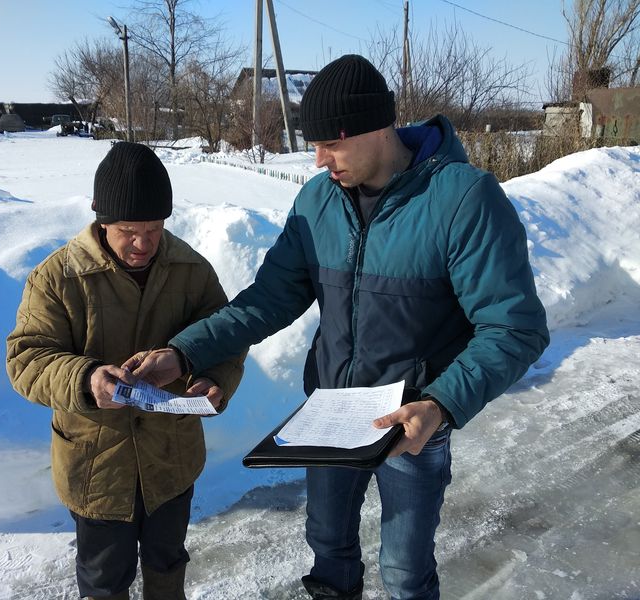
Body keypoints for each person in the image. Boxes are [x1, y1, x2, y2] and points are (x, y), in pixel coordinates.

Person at [127, 55, 550, 599]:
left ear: (379, 128)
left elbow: (514, 327)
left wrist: (440, 405)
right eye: (314, 143)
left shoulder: (463, 200)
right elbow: (266, 301)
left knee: (404, 570)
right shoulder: (318, 200)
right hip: (330, 416)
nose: (320, 158)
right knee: (327, 549)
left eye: (332, 143)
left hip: (410, 421)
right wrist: (182, 354)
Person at [6, 142, 245, 600]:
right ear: (101, 220)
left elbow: (227, 340)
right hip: (96, 468)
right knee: (103, 581)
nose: (143, 243)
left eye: (154, 229)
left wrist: (215, 380)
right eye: (128, 230)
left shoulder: (192, 272)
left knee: (168, 565)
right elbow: (26, 358)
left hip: (170, 459)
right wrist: (85, 378)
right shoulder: (57, 277)